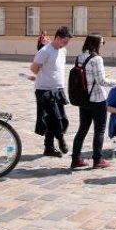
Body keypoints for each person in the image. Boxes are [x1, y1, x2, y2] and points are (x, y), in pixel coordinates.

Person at [70, 33, 116, 169]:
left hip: (83, 98)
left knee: (82, 129)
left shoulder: (80, 57)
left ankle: (75, 159)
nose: (103, 44)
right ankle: (97, 160)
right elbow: (102, 81)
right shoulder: (97, 59)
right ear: (96, 43)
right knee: (99, 131)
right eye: (102, 42)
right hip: (97, 99)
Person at [30, 26, 73, 157]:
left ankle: (48, 148)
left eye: (67, 42)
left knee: (57, 119)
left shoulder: (63, 51)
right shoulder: (45, 51)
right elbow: (34, 68)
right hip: (44, 91)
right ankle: (60, 139)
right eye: (64, 41)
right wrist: (41, 77)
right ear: (58, 38)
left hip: (58, 89)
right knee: (56, 119)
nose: (66, 44)